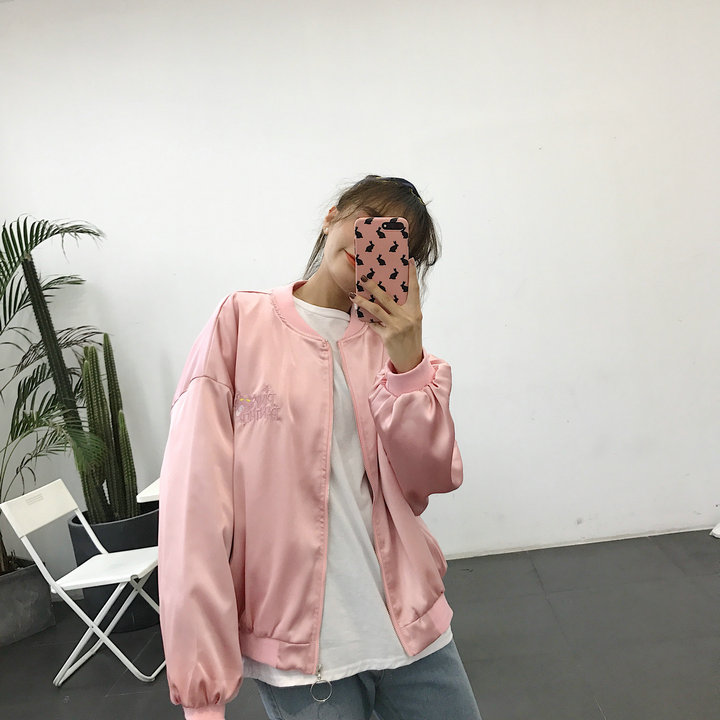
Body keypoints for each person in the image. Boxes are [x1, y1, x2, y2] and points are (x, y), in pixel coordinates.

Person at [157, 175, 483, 720]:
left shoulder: (397, 354)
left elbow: (425, 483)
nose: (372, 241)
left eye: (396, 241)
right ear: (333, 216)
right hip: (301, 658)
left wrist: (408, 364)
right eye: (368, 221)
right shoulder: (240, 324)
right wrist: (202, 696)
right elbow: (194, 507)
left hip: (411, 629)